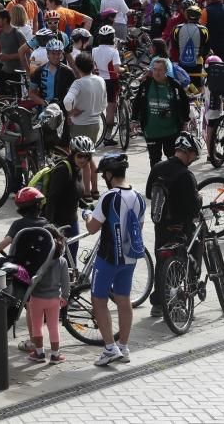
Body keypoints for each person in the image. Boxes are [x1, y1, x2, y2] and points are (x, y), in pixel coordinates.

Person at [82, 153, 144, 366]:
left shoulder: (109, 197)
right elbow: (139, 228)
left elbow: (92, 228)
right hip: (130, 258)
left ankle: (110, 347)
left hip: (108, 258)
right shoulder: (138, 197)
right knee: (123, 300)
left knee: (98, 300)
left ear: (109, 174)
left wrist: (86, 215)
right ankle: (124, 347)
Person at [146, 132, 201, 318]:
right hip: (181, 228)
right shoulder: (186, 175)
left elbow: (148, 193)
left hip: (161, 226)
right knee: (189, 260)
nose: (193, 159)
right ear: (187, 152)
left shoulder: (158, 167)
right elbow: (193, 207)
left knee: (162, 263)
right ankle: (182, 303)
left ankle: (158, 303)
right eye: (193, 155)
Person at [25, 225, 70, 364]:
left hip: (36, 298)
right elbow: (65, 281)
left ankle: (39, 353)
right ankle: (55, 355)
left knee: (37, 326)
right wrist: (65, 296)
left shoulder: (36, 259)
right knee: (53, 326)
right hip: (54, 299)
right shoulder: (62, 261)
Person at [134, 58, 189, 166]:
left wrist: (185, 122)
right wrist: (133, 120)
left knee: (173, 161)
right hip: (151, 131)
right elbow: (137, 102)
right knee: (154, 161)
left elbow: (184, 103)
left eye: (160, 70)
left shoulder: (174, 85)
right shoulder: (146, 85)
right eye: (154, 69)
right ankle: (156, 182)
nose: (157, 73)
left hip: (171, 131)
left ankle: (172, 181)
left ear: (166, 71)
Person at [63, 53, 105, 195]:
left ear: (77, 67)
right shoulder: (100, 80)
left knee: (82, 160)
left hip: (80, 124)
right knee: (89, 157)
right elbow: (104, 103)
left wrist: (71, 111)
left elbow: (67, 101)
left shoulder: (78, 83)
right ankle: (94, 189)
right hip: (95, 123)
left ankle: (86, 192)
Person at [27, 40, 76, 109]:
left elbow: (73, 94)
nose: (56, 56)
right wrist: (43, 102)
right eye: (53, 53)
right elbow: (31, 93)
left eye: (58, 53)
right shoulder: (38, 71)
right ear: (48, 54)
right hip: (44, 111)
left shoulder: (68, 72)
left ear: (62, 54)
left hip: (62, 111)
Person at [173, 5, 209, 88]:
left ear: (187, 15)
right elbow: (207, 47)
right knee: (196, 84)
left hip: (182, 60)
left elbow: (175, 44)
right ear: (199, 16)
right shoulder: (204, 30)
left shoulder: (177, 28)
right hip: (197, 62)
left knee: (183, 83)